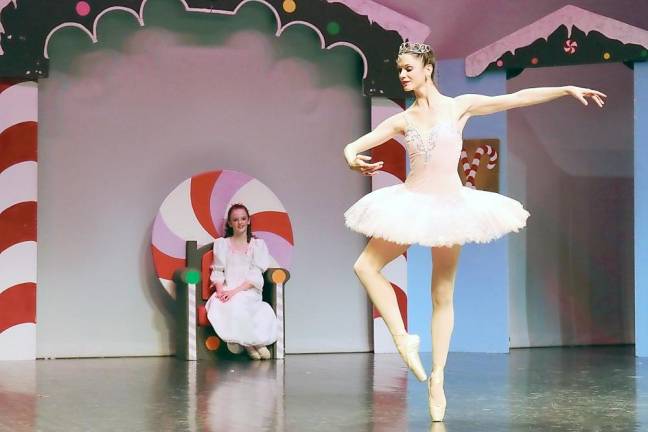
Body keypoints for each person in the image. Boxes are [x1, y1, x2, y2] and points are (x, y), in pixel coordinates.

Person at [343, 42, 606, 421]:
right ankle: (404, 339)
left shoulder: (458, 106)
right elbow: (355, 146)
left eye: (408, 68)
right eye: (399, 68)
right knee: (365, 266)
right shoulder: (403, 119)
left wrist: (565, 89)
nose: (402, 74)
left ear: (428, 68)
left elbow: (515, 98)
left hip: (450, 206)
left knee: (442, 293)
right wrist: (352, 159)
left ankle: (438, 379)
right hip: (412, 204)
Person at [206, 203, 278, 360]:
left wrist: (234, 292)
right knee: (223, 304)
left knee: (239, 301)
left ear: (249, 221)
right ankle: (251, 345)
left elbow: (255, 275)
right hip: (227, 288)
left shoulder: (257, 245)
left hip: (248, 290)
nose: (240, 223)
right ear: (230, 223)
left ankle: (253, 344)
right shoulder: (222, 244)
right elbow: (218, 271)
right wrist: (220, 290)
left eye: (243, 219)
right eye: (236, 219)